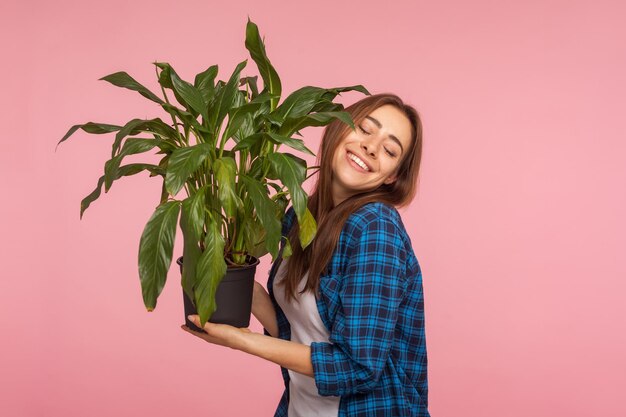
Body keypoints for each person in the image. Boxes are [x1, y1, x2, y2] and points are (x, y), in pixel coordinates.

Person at [182, 93, 429, 417]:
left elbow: (359, 365)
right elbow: (297, 330)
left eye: (389, 149)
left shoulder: (374, 225)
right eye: (365, 129)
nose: (371, 147)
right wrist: (231, 281)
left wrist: (241, 341)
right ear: (339, 128)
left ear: (392, 176)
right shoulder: (299, 217)